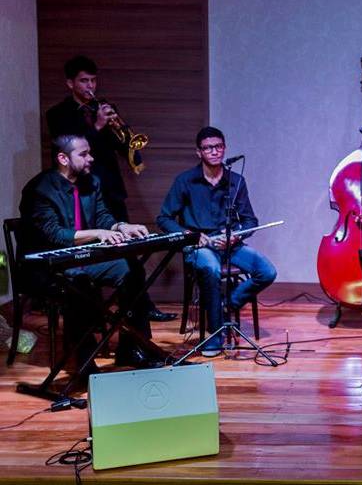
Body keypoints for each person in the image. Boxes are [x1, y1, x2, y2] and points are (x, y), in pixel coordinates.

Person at [45, 54, 175, 322]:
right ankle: (93, 311)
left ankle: (142, 307)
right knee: (92, 250)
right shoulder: (58, 114)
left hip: (110, 190)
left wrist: (127, 140)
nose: (90, 86)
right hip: (78, 193)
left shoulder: (104, 107)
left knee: (129, 247)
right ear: (70, 83)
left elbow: (120, 146)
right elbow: (72, 149)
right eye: (84, 81)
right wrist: (98, 126)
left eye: (93, 80)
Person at [19, 135, 160, 377]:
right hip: (48, 266)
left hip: (83, 259)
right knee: (78, 283)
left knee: (132, 269)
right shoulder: (40, 189)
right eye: (83, 154)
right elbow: (55, 234)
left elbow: (103, 216)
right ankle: (83, 360)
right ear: (63, 158)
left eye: (89, 153)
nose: (90, 158)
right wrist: (98, 233)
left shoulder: (91, 182)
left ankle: (133, 346)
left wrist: (120, 227)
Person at [157, 127, 277, 357]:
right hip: (200, 244)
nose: (215, 151)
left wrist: (236, 235)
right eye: (208, 148)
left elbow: (250, 219)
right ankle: (214, 335)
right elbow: (163, 218)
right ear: (198, 152)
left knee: (267, 271)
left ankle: (225, 308)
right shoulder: (185, 181)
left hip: (230, 244)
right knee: (210, 269)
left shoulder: (236, 181)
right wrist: (191, 235)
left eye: (219, 146)